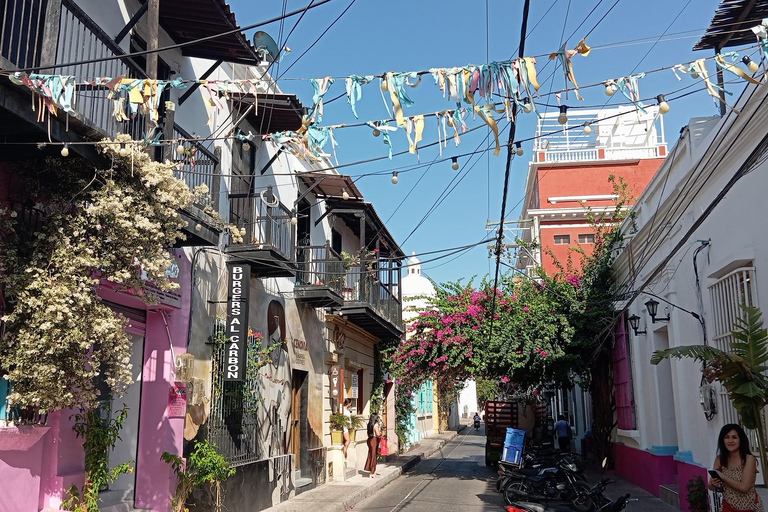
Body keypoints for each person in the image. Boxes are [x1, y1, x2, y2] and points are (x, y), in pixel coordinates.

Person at [709, 424, 764, 512]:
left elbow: (744, 487)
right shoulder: (720, 459)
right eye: (727, 437)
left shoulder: (749, 459)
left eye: (734, 437)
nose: (730, 441)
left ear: (740, 440)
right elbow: (711, 487)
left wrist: (722, 476)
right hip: (728, 507)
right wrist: (713, 484)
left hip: (749, 508)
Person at [364, 413, 381, 478]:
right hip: (374, 440)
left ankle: (373, 470)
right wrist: (381, 433)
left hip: (369, 439)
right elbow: (378, 434)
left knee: (370, 455)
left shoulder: (369, 424)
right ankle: (372, 472)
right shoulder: (375, 425)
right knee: (374, 456)